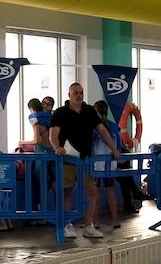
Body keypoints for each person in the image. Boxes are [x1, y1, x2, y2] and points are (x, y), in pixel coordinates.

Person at [48, 82, 117, 240]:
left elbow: (102, 130)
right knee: (67, 192)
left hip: (85, 159)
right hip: (67, 159)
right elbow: (53, 135)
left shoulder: (89, 111)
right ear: (69, 95)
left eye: (81, 92)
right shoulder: (60, 113)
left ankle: (88, 226)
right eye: (75, 93)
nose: (79, 95)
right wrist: (57, 147)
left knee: (93, 192)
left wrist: (114, 148)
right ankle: (67, 224)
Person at [91, 99, 122, 231]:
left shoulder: (94, 128)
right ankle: (115, 219)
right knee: (110, 190)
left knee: (96, 193)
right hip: (111, 163)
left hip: (97, 163)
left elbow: (90, 145)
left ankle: (95, 221)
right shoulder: (114, 126)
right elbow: (119, 145)